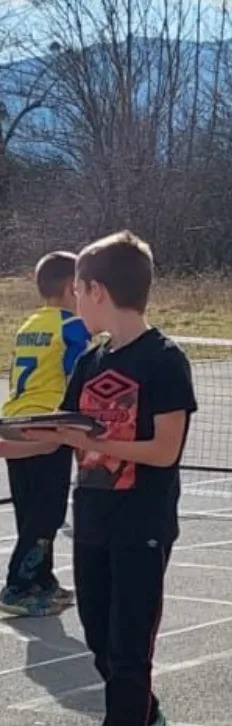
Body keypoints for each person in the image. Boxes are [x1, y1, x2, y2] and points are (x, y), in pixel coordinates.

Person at [2, 232, 198, 726]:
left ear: (96, 291)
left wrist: (97, 442)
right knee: (100, 643)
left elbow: (164, 451)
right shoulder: (89, 361)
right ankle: (148, 719)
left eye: (79, 293)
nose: (75, 304)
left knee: (131, 650)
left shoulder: (165, 360)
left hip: (143, 526)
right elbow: (61, 433)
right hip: (91, 522)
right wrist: (14, 441)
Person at [0, 250, 90, 617]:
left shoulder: (30, 324)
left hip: (14, 417)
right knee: (47, 512)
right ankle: (18, 586)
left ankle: (42, 579)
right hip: (46, 421)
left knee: (30, 506)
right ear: (72, 288)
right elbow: (76, 372)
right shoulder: (73, 325)